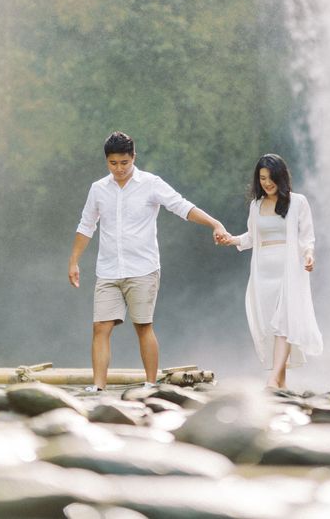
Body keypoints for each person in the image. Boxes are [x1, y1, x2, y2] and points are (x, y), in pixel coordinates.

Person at [68, 131, 228, 392]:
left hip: (142, 268)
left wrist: (214, 223)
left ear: (133, 157)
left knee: (143, 326)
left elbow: (181, 206)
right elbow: (87, 225)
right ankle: (98, 386)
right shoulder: (98, 189)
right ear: (106, 161)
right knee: (100, 327)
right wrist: (74, 261)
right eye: (112, 163)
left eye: (124, 163)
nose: (118, 169)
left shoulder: (151, 183)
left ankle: (151, 384)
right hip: (108, 269)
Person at [220, 154, 322, 389]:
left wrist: (308, 254)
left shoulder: (298, 202)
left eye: (271, 178)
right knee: (272, 324)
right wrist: (231, 240)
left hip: (289, 270)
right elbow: (251, 237)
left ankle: (272, 379)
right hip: (263, 271)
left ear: (281, 177)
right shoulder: (255, 205)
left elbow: (307, 237)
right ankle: (282, 387)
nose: (267, 183)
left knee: (283, 323)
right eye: (262, 178)